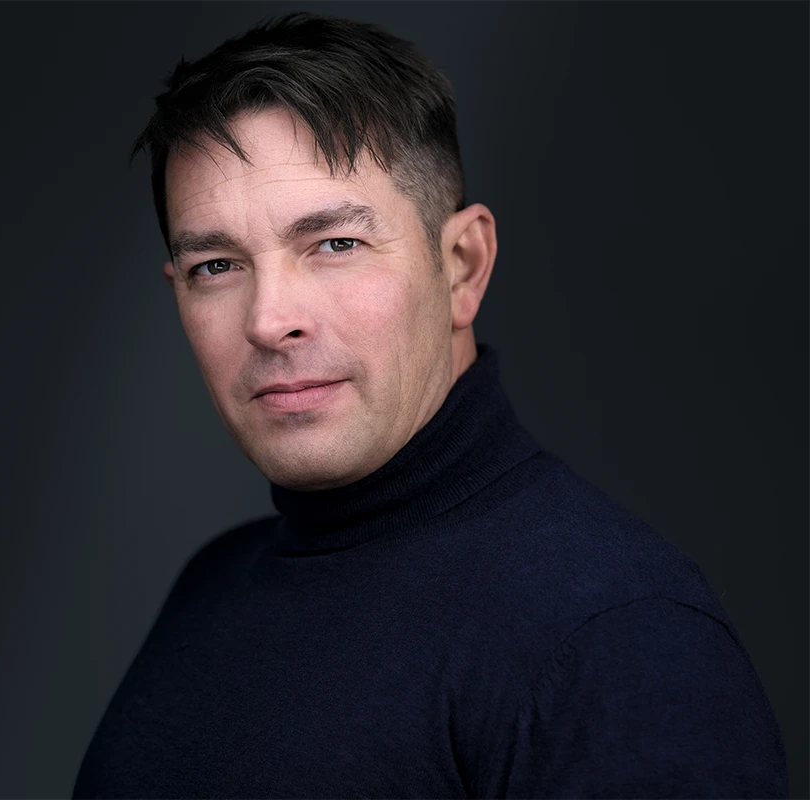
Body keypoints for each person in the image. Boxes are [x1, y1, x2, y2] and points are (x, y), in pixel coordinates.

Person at [72, 12, 787, 798]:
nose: (270, 318)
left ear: (462, 266)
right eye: (216, 264)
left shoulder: (615, 636)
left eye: (335, 244)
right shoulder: (211, 587)